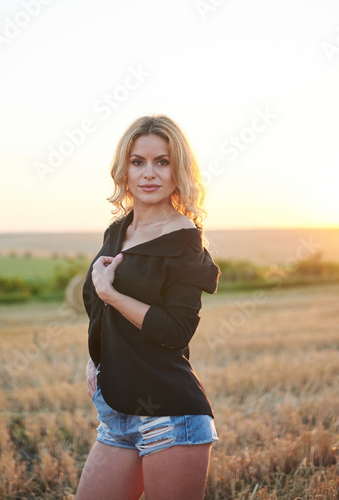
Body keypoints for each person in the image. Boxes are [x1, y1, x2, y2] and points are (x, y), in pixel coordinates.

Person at [75, 115, 220, 500]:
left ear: (179, 170)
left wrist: (114, 296)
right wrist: (96, 357)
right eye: (138, 162)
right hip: (115, 415)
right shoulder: (117, 231)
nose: (149, 174)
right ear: (124, 170)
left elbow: (175, 331)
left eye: (163, 161)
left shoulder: (184, 240)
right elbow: (98, 307)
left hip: (170, 416)